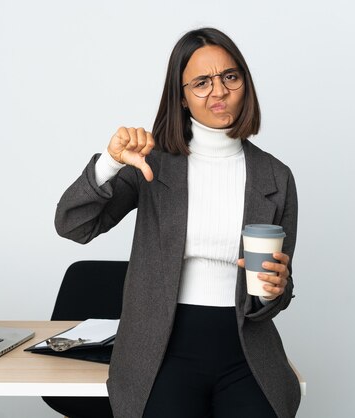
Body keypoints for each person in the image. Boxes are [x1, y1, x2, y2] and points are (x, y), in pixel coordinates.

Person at [54, 27, 300, 418]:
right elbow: (73, 225)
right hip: (160, 350)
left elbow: (274, 297)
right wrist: (110, 162)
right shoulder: (152, 161)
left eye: (229, 77)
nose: (218, 92)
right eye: (201, 82)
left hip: (246, 351)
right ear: (182, 97)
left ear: (244, 85)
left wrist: (275, 289)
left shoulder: (276, 177)